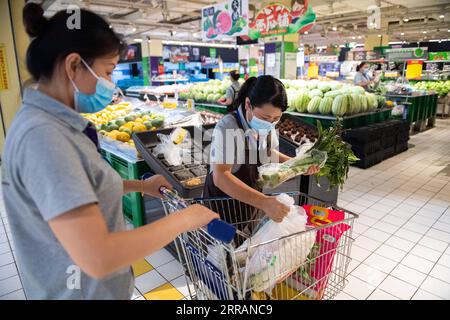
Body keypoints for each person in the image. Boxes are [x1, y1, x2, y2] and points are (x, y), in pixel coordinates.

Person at [1, 3, 218, 300]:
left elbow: (80, 187)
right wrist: (186, 219)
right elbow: (98, 257)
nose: (111, 85)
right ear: (74, 65)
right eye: (107, 71)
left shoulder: (51, 124)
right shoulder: (44, 137)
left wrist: (140, 186)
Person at [204, 75, 320, 224]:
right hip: (221, 207)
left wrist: (298, 164)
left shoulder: (268, 125)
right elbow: (221, 176)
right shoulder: (228, 126)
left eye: (276, 118)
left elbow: (267, 153)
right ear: (248, 104)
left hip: (249, 202)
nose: (270, 123)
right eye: (265, 117)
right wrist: (264, 202)